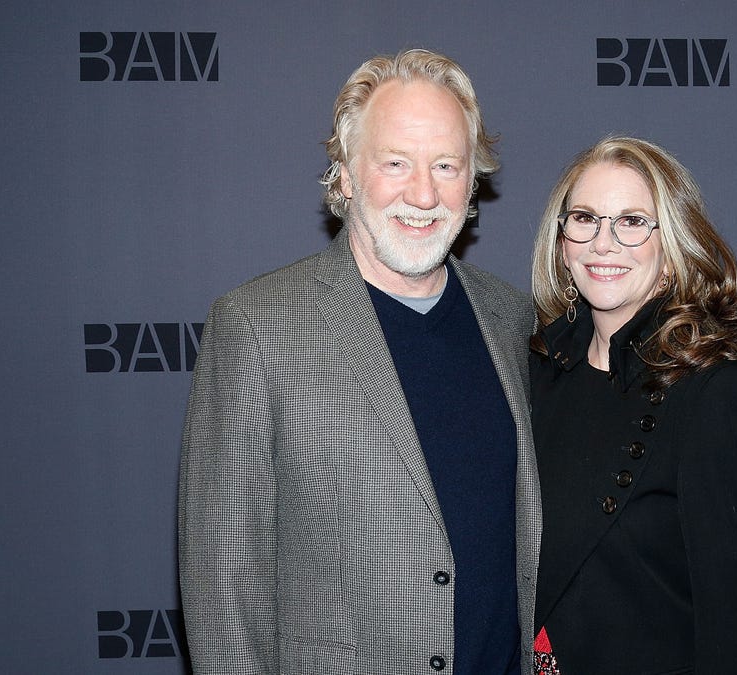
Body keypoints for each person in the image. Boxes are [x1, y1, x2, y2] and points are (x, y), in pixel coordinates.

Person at [177, 49, 540, 674]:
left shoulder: (512, 319)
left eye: (446, 165)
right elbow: (225, 596)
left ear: (473, 179)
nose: (423, 193)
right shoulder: (257, 326)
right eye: (395, 162)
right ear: (345, 174)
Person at [528, 136, 737, 673]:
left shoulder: (718, 396)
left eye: (632, 221)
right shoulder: (533, 376)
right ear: (562, 241)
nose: (603, 243)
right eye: (585, 218)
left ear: (672, 247)